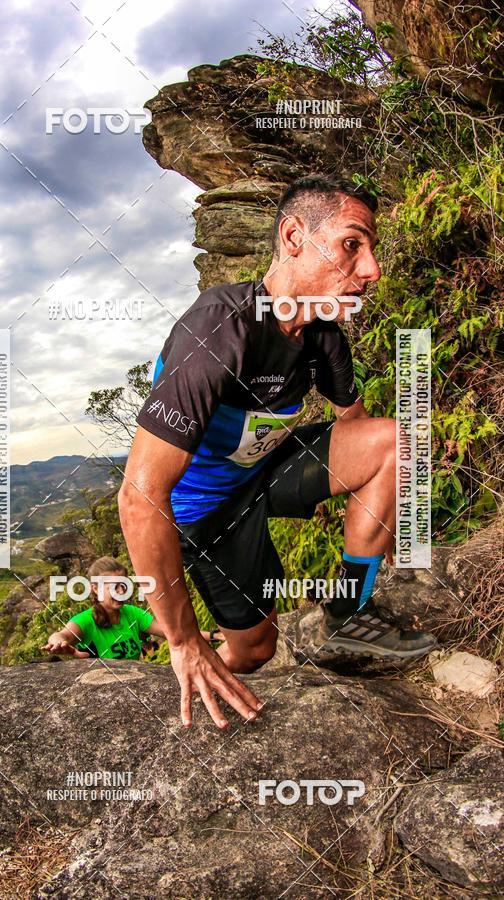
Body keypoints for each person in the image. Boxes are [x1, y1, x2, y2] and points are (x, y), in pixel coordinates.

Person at [118, 175, 436, 730]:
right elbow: (141, 497)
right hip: (206, 516)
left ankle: (347, 611)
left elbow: (359, 434)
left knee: (400, 440)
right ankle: (203, 657)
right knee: (258, 648)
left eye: (372, 250)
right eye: (352, 245)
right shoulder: (220, 327)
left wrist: (369, 512)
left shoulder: (325, 335)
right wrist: (184, 639)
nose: (371, 270)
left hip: (267, 469)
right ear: (294, 237)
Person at [42, 556, 222, 660]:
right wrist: (58, 642)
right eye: (114, 587)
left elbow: (173, 632)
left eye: (123, 585)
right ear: (95, 588)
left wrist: (215, 636)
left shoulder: (132, 613)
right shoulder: (86, 620)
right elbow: (62, 634)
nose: (121, 591)